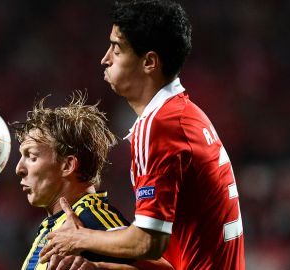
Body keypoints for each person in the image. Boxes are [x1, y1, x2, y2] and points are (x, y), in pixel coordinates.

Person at [39, 1, 246, 269]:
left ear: (149, 62)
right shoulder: (186, 115)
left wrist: (82, 238)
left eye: (117, 48)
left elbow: (148, 242)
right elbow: (170, 258)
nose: (105, 58)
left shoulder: (161, 126)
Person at [12, 93, 174, 270]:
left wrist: (98, 268)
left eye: (32, 157)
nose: (19, 169)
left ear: (67, 165)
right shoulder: (55, 226)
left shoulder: (90, 218)